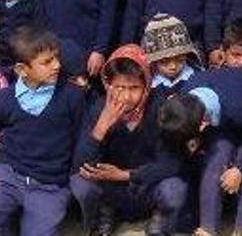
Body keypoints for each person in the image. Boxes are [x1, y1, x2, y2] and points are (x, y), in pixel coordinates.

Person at [0, 27, 85, 236]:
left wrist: (67, 179)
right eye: (47, 62)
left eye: (56, 58)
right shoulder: (3, 101)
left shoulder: (71, 96)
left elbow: (80, 140)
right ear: (22, 70)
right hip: (9, 178)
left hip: (50, 186)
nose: (57, 65)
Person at [71, 44, 187, 235]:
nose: (126, 96)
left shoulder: (160, 108)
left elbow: (170, 164)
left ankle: (159, 218)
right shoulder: (99, 108)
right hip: (110, 190)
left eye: (134, 88)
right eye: (118, 87)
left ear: (147, 86)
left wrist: (125, 175)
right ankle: (102, 217)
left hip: (147, 187)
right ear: (108, 85)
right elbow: (80, 165)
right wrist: (100, 128)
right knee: (80, 183)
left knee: (175, 188)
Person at [171, 70, 242, 235]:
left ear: (201, 125)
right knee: (216, 159)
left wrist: (240, 169)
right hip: (221, 121)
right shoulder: (185, 96)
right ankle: (207, 229)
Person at [140, 13, 202, 103]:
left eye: (180, 60)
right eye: (164, 62)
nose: (173, 66)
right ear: (153, 61)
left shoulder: (196, 77)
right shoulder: (148, 84)